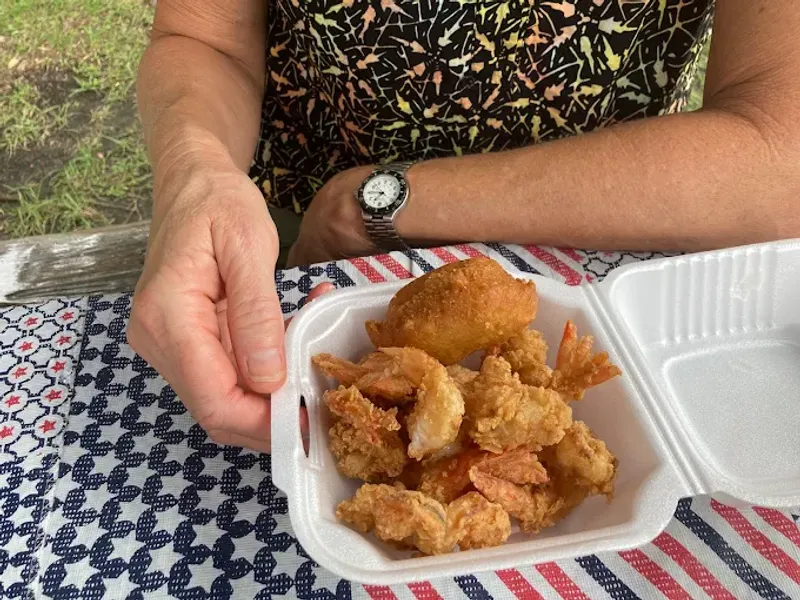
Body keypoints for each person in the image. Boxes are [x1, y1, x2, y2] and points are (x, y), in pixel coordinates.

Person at [127, 0, 800, 453]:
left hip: (616, 252)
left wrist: (379, 205)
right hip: (292, 246)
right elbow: (203, 39)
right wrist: (197, 171)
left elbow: (780, 158)